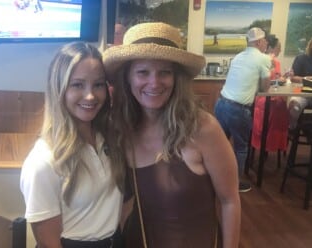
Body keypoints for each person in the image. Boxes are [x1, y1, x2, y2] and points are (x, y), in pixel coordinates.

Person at [103, 22, 240, 248]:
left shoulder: (204, 128)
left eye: (164, 72)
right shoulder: (121, 128)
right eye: (143, 72)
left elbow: (230, 201)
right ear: (128, 77)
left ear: (176, 78)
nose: (154, 82)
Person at [20, 41, 124, 248]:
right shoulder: (43, 161)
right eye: (77, 84)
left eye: (98, 84)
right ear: (59, 88)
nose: (90, 95)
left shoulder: (110, 138)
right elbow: (49, 242)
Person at [214, 27, 271, 192]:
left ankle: (215, 178)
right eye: (265, 40)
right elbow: (265, 88)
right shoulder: (263, 58)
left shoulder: (238, 56)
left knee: (219, 145)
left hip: (221, 103)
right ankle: (234, 185)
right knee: (240, 148)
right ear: (260, 42)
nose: (266, 43)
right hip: (238, 110)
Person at [251, 34, 289, 153]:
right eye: (278, 47)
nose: (280, 50)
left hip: (274, 96)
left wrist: (284, 77)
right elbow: (260, 83)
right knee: (276, 108)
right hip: (263, 97)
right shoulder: (263, 61)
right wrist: (277, 80)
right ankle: (266, 143)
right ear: (271, 48)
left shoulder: (276, 62)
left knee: (282, 107)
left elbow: (276, 79)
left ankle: (273, 143)